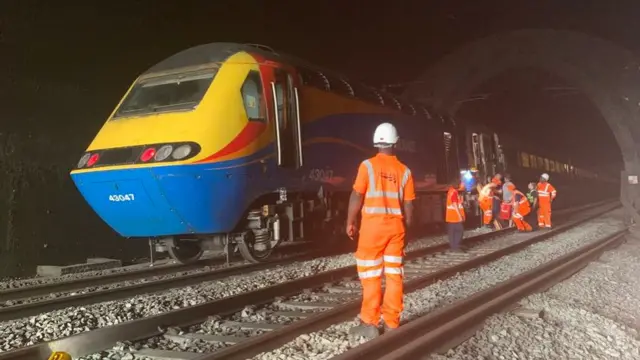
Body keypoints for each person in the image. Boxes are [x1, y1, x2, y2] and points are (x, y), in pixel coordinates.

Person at [346, 122, 415, 339]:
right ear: (395, 142)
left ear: (376, 141)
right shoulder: (405, 171)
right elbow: (409, 205)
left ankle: (370, 323)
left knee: (371, 275)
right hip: (396, 229)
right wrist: (406, 231)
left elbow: (357, 195)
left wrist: (350, 220)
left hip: (372, 229)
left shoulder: (367, 166)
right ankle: (393, 322)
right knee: (395, 275)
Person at [446, 176, 466, 251]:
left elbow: (455, 203)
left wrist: (461, 201)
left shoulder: (451, 191)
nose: (462, 184)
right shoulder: (454, 192)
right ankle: (456, 245)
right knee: (459, 230)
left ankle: (454, 246)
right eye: (461, 183)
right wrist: (459, 216)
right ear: (457, 184)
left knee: (452, 231)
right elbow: (454, 204)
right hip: (455, 216)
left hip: (451, 216)